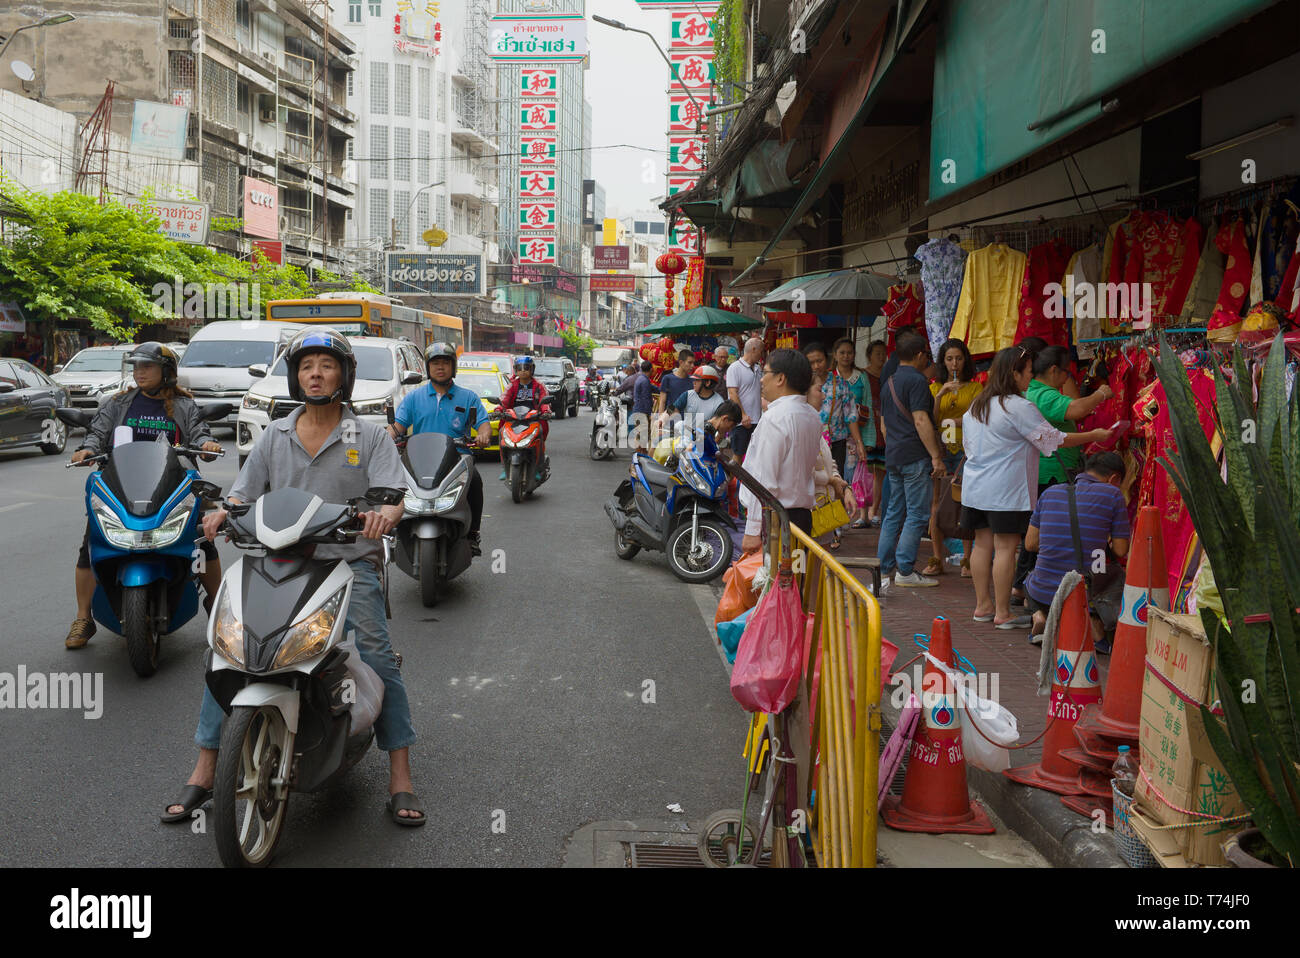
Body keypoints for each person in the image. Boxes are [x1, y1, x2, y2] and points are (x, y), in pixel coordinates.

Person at [164, 328, 425, 825]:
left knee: (376, 654)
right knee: (227, 649)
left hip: (349, 561)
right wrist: (224, 513)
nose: (316, 374)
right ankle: (205, 767)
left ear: (343, 376)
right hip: (278, 558)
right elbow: (242, 494)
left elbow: (394, 492)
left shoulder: (367, 434)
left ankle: (401, 774)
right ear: (295, 376)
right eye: (307, 367)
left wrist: (388, 512)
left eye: (326, 366)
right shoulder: (275, 435)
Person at [66, 342, 223, 650]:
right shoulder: (118, 403)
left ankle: (218, 608)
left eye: (147, 366)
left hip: (174, 485)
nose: (140, 372)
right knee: (91, 544)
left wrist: (207, 446)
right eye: (136, 366)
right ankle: (84, 617)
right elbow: (97, 434)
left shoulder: (185, 406)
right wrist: (87, 449)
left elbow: (200, 434)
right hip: (121, 485)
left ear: (167, 372)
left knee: (204, 542)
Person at [960, 346, 1114, 629]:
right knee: (1005, 547)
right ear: (1014, 373)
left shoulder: (978, 405)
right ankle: (1003, 613)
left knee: (982, 545)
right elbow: (1051, 440)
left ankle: (983, 606)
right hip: (1005, 490)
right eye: (1028, 373)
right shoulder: (1017, 406)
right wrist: (1093, 435)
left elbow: (967, 446)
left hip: (976, 487)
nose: (1030, 379)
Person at [1013, 345, 1113, 603]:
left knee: (1037, 533)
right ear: (1054, 370)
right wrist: (1101, 394)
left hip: (1045, 472)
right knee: (1040, 534)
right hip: (1052, 474)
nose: (1067, 379)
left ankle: (1024, 588)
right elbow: (1075, 410)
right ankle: (1026, 589)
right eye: (1067, 374)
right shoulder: (1044, 395)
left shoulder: (1034, 392)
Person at [388, 342, 491, 556]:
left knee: (476, 482)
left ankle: (473, 533)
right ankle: (396, 532)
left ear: (453, 367)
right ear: (428, 367)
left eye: (445, 362)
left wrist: (483, 434)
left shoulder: (468, 397)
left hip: (457, 458)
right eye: (435, 363)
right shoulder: (414, 398)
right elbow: (397, 426)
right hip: (420, 458)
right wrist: (384, 438)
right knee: (394, 485)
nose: (440, 367)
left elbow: (482, 423)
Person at [1024, 452, 1130, 649]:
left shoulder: (1049, 493)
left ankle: (1040, 615)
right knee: (1106, 572)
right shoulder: (1113, 494)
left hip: (1043, 591)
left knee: (1030, 578)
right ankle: (1093, 622)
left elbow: (1030, 544)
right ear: (1114, 478)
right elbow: (1121, 550)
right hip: (1084, 590)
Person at [874, 332, 946, 589]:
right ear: (918, 355)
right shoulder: (917, 381)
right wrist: (936, 456)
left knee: (893, 513)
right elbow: (920, 419)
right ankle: (905, 569)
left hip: (894, 455)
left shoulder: (889, 382)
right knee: (916, 514)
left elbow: (883, 427)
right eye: (926, 355)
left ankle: (884, 569)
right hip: (915, 455)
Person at [738, 349, 822, 554]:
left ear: (780, 378)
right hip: (801, 520)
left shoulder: (775, 418)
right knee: (795, 580)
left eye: (764, 373)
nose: (760, 380)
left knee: (776, 582)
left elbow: (764, 481)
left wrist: (752, 530)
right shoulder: (812, 415)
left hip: (776, 521)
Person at [924, 339, 981, 577]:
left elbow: (978, 417)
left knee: (965, 502)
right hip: (942, 450)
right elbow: (931, 420)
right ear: (942, 362)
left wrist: (957, 422)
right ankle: (937, 557)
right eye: (949, 359)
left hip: (967, 450)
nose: (954, 363)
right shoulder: (934, 388)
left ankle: (967, 559)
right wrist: (941, 395)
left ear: (965, 359)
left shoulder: (976, 388)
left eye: (958, 358)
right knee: (937, 501)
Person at [807, 374, 857, 551]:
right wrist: (831, 480)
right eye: (819, 390)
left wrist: (842, 486)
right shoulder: (801, 427)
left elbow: (829, 462)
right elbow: (804, 470)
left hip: (823, 510)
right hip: (808, 513)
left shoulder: (816, 425)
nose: (823, 396)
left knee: (818, 567)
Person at [498, 355, 551, 478]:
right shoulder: (512, 385)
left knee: (541, 435)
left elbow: (544, 401)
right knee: (501, 432)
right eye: (519, 368)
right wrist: (498, 409)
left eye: (526, 368)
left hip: (534, 419)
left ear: (532, 369)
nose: (523, 371)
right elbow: (504, 399)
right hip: (513, 418)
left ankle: (538, 467)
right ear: (515, 370)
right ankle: (505, 468)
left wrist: (545, 411)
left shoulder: (539, 385)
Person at [825, 337, 869, 479]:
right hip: (832, 436)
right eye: (842, 352)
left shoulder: (861, 377)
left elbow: (868, 407)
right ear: (835, 355)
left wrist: (867, 439)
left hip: (857, 433)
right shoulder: (828, 378)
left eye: (849, 353)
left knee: (851, 476)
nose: (846, 356)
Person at [652, 399, 741, 466]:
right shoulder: (704, 430)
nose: (730, 429)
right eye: (732, 425)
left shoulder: (711, 430)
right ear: (725, 419)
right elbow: (689, 450)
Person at [862, 340, 888, 525]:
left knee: (881, 473)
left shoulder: (888, 374)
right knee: (865, 471)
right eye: (877, 353)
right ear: (869, 355)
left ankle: (874, 510)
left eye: (883, 353)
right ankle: (863, 512)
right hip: (869, 425)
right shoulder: (864, 375)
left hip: (885, 425)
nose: (881, 356)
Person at [726, 337, 765, 458]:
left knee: (754, 455)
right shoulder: (734, 368)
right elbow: (733, 394)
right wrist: (743, 415)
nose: (761, 355)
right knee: (738, 454)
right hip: (741, 421)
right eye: (761, 351)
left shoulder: (758, 369)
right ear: (753, 349)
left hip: (757, 420)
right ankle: (734, 477)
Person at [661, 364, 727, 427]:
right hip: (685, 436)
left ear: (707, 383)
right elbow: (672, 408)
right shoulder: (688, 395)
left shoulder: (719, 402)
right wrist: (662, 418)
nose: (694, 383)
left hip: (705, 437)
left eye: (697, 380)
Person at [656, 348, 696, 415]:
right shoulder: (667, 379)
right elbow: (662, 402)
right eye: (690, 362)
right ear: (681, 362)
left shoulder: (693, 380)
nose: (692, 366)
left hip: (688, 420)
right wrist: (661, 420)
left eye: (693, 363)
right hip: (670, 419)